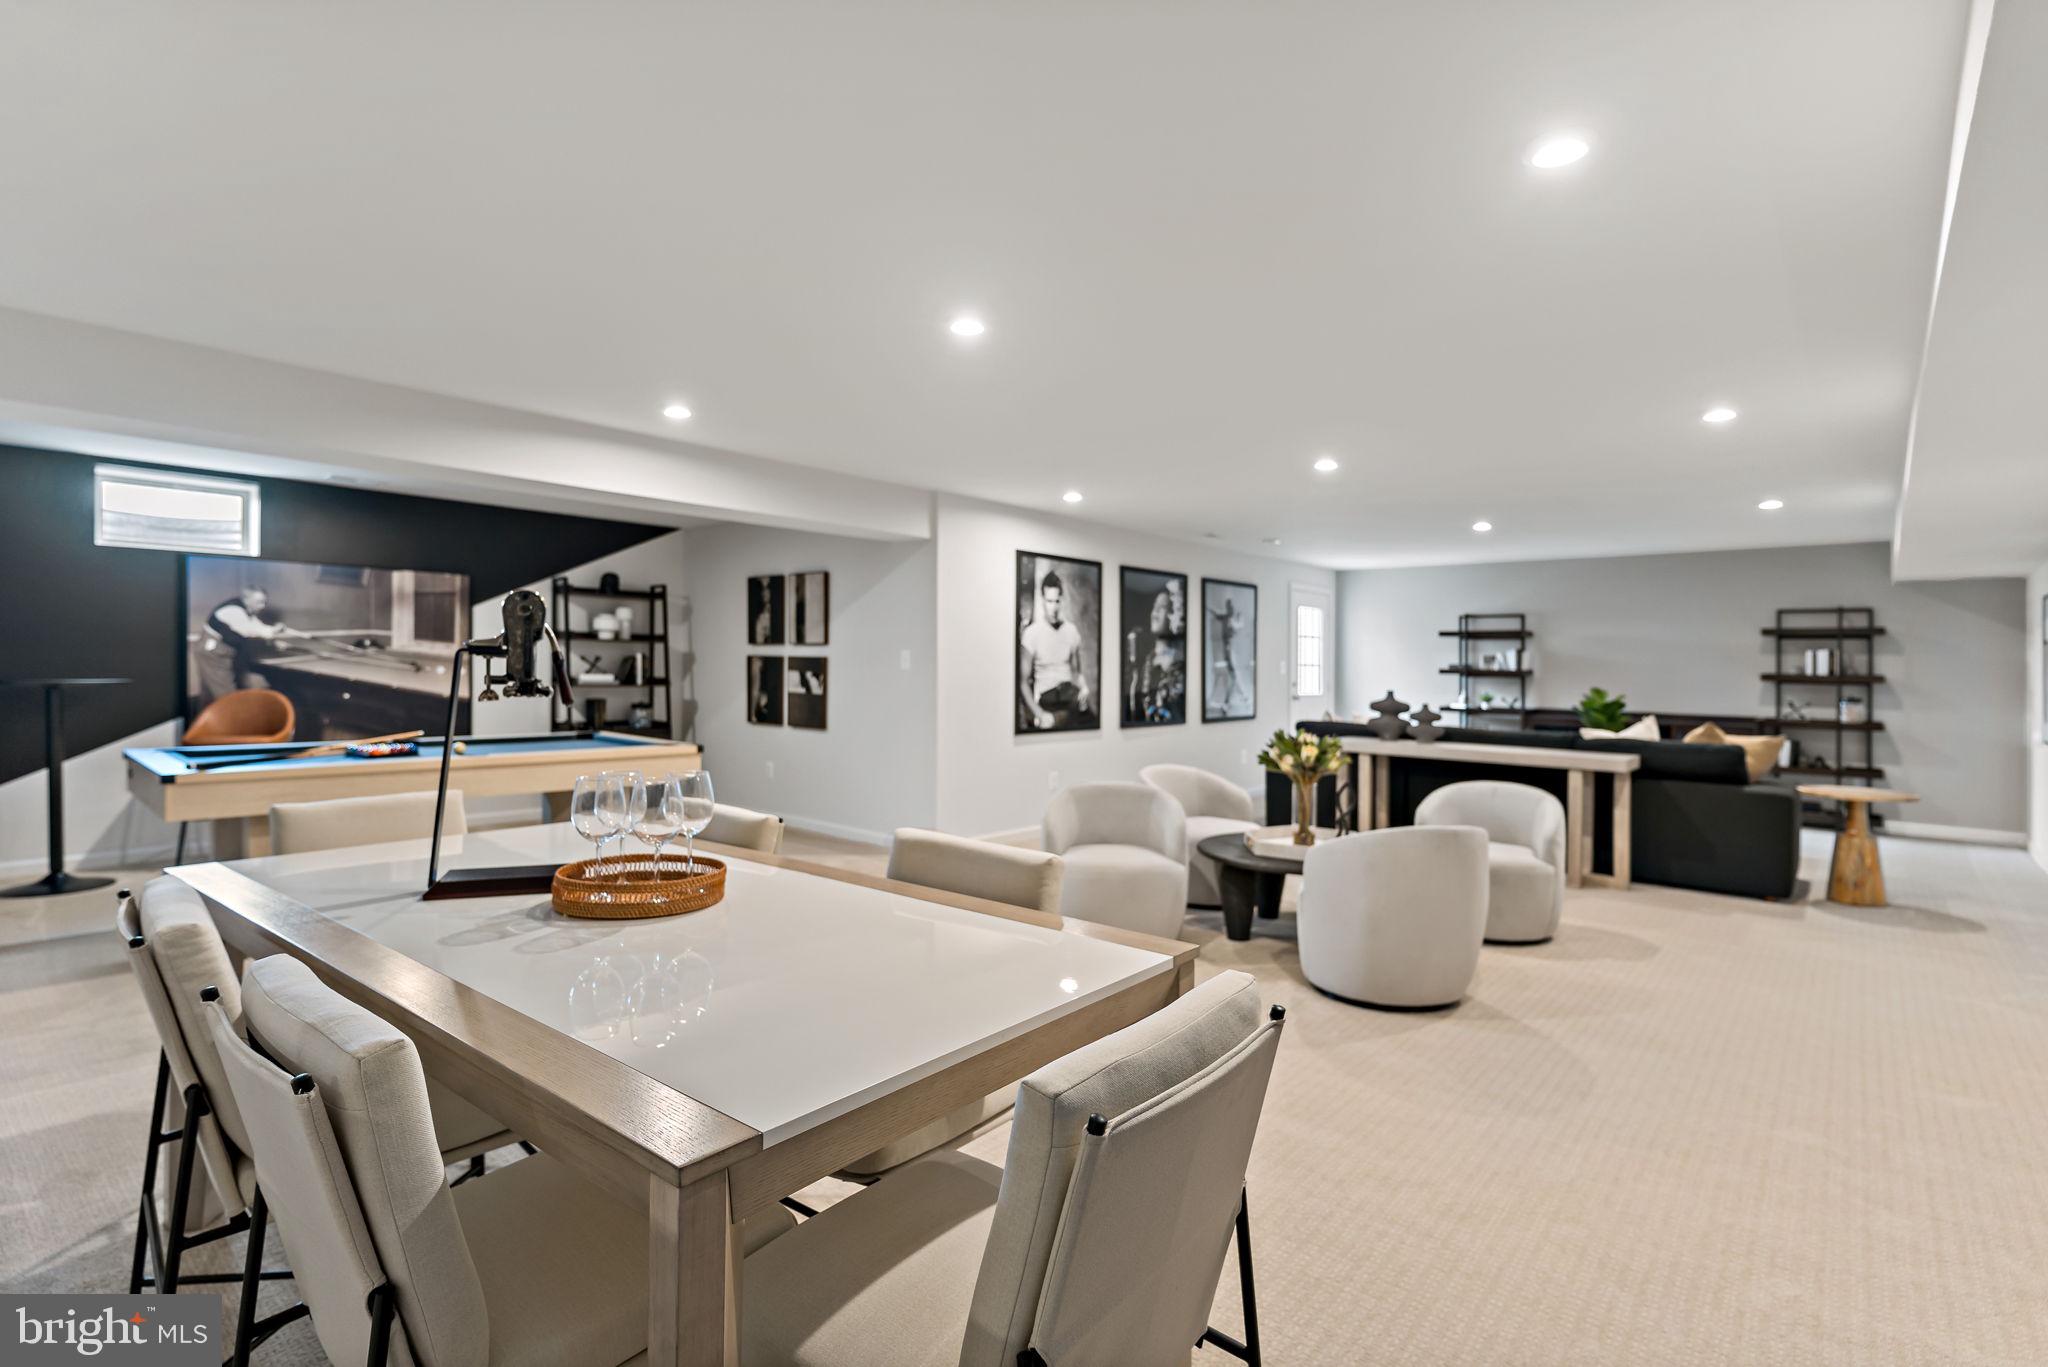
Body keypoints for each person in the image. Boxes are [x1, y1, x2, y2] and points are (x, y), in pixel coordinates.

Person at [194, 585, 301, 703]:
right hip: (213, 654)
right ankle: (233, 720)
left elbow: (258, 627)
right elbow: (249, 630)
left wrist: (274, 639)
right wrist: (275, 630)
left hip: (216, 652)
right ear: (246, 599)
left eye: (264, 602)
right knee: (228, 697)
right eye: (259, 602)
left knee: (211, 695)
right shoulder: (233, 610)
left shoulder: (246, 611)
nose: (263, 606)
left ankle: (209, 719)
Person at [1019, 569, 1092, 730]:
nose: (1053, 607)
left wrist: (1084, 688)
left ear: (1062, 600)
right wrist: (1039, 714)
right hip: (1047, 701)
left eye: (1057, 601)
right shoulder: (1032, 633)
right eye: (1049, 601)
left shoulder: (1071, 631)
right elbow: (1022, 682)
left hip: (1070, 697)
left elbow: (1077, 672)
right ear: (1043, 600)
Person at [1209, 593, 1248, 714]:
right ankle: (1237, 697)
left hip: (1232, 649)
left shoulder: (1233, 621)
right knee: (1233, 676)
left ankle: (1237, 697)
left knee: (1234, 676)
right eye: (1228, 605)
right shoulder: (1226, 617)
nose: (1229, 608)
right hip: (1228, 650)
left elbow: (1238, 626)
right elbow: (1215, 613)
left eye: (1230, 605)